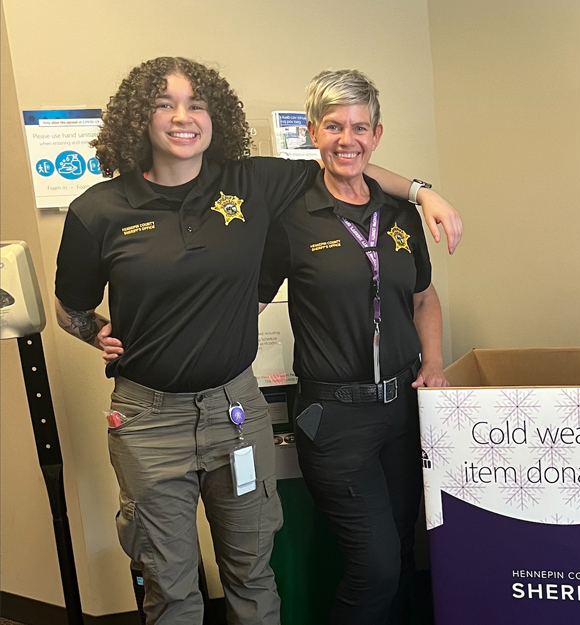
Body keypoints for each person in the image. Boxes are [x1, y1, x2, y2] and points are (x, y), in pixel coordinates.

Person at [54, 57, 461, 625]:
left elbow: (351, 167)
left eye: (196, 104)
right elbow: (70, 307)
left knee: (252, 572)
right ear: (135, 119)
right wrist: (95, 331)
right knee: (170, 588)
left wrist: (423, 193)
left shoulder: (251, 182)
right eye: (164, 105)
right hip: (150, 419)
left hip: (235, 410)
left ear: (215, 114)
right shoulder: (97, 210)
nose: (182, 117)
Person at [257, 69, 446, 624]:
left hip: (402, 410)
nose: (348, 140)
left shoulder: (398, 213)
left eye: (360, 127)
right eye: (334, 126)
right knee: (376, 567)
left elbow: (424, 295)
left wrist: (433, 361)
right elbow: (247, 300)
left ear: (377, 134)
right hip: (333, 417)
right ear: (314, 132)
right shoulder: (291, 214)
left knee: (404, 555)